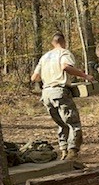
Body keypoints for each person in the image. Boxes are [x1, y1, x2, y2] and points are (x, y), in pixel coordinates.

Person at [31, 32, 94, 160]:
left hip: (46, 94)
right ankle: (72, 154)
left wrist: (48, 78)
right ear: (63, 41)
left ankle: (63, 150)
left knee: (62, 124)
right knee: (73, 123)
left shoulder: (45, 57)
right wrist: (85, 76)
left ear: (52, 43)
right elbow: (65, 67)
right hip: (59, 92)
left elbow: (34, 77)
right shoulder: (64, 53)